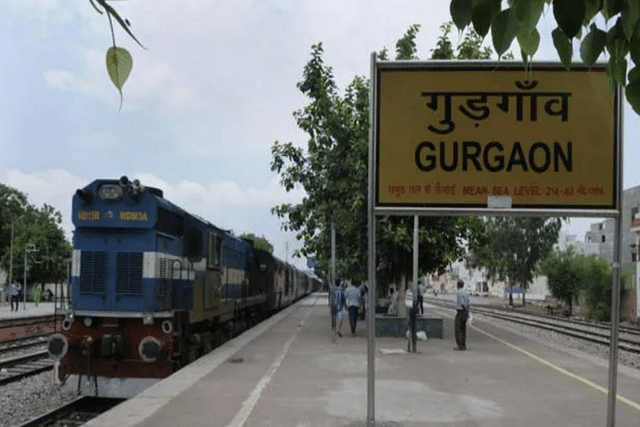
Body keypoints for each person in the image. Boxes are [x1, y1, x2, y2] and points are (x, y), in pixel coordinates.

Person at [454, 279, 470, 351]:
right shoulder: (466, 291)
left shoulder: (460, 292)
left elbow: (461, 302)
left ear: (458, 285)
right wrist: (467, 311)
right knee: (463, 329)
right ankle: (463, 345)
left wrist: (463, 308)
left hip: (461, 311)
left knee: (458, 328)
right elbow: (468, 302)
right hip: (465, 311)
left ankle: (460, 346)